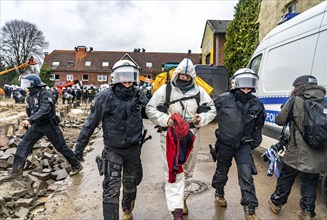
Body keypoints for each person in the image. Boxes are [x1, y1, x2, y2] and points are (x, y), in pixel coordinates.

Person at [74, 60, 148, 220]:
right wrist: (78, 149)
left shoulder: (139, 95)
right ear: (115, 78)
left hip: (133, 149)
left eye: (131, 78)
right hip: (113, 150)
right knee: (111, 188)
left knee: (130, 183)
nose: (127, 82)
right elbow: (90, 123)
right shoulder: (104, 97)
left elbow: (151, 113)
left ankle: (127, 210)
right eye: (123, 77)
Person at [146, 58, 216, 220]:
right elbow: (150, 108)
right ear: (177, 74)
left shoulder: (199, 92)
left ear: (192, 76)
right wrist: (166, 120)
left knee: (188, 170)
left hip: (192, 135)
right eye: (181, 75)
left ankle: (183, 199)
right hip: (170, 135)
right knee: (173, 169)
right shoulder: (165, 90)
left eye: (187, 75)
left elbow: (211, 110)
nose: (184, 78)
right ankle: (176, 207)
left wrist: (201, 118)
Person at [268, 75, 327, 220]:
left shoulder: (295, 100)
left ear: (298, 87)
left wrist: (287, 110)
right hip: (319, 151)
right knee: (310, 180)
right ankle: (307, 212)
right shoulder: (324, 102)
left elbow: (279, 121)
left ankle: (276, 203)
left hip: (297, 151)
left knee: (286, 177)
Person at [211, 68, 265, 220]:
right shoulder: (223, 99)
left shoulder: (257, 103)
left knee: (247, 176)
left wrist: (254, 142)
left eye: (249, 87)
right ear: (235, 84)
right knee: (222, 170)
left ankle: (250, 208)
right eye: (243, 87)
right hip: (225, 143)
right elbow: (209, 114)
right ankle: (219, 192)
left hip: (244, 145)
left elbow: (258, 125)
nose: (246, 90)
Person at [11, 74, 82, 176]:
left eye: (27, 83)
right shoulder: (30, 96)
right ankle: (16, 171)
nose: (26, 86)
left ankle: (76, 165)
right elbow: (31, 110)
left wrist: (30, 120)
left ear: (33, 83)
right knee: (23, 144)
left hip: (49, 125)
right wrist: (30, 122)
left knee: (61, 147)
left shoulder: (45, 93)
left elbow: (45, 109)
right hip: (37, 126)